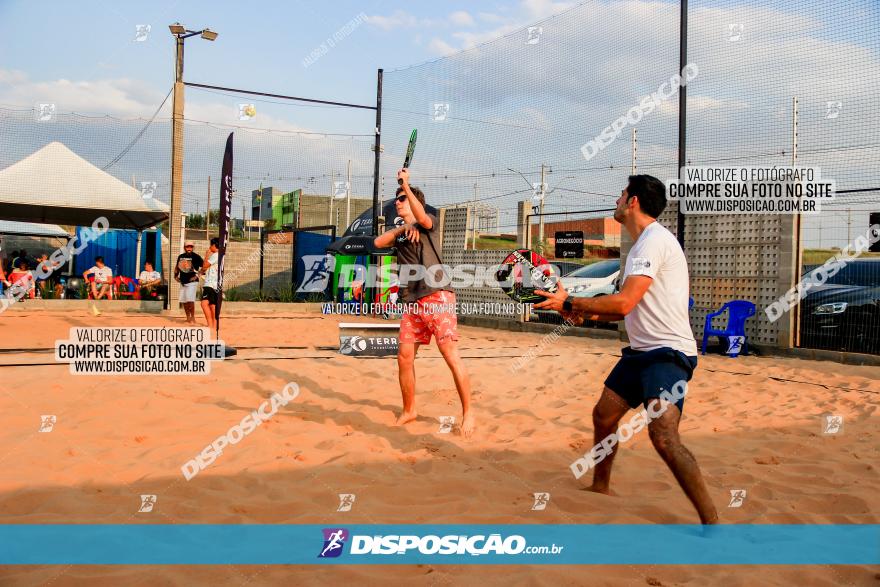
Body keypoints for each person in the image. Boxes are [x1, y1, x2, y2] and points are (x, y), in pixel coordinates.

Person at [535, 174, 717, 525]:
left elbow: (623, 304)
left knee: (663, 436)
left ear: (633, 202)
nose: (617, 199)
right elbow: (624, 307)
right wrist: (577, 310)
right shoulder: (642, 245)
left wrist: (572, 300)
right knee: (604, 416)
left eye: (621, 194)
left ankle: (711, 521)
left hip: (667, 355)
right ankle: (601, 486)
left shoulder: (653, 241)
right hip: (640, 353)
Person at [373, 168, 475, 437]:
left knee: (449, 355)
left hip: (438, 295)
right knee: (404, 357)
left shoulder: (429, 222)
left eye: (402, 198)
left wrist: (406, 186)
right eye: (397, 198)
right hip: (412, 302)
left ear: (413, 200)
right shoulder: (403, 232)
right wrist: (404, 229)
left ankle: (469, 414)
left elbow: (422, 219)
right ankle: (409, 410)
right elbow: (378, 241)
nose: (397, 201)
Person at [174, 241, 203, 324]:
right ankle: (188, 318)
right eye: (187, 247)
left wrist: (197, 276)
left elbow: (204, 266)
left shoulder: (196, 257)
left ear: (193, 247)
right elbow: (177, 267)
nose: (189, 248)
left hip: (192, 282)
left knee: (190, 300)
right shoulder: (181, 256)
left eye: (191, 247)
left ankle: (193, 318)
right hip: (183, 281)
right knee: (184, 301)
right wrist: (175, 276)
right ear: (184, 247)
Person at [199, 238, 220, 333]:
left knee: (204, 304)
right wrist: (201, 272)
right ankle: (213, 325)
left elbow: (204, 266)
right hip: (215, 283)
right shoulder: (220, 255)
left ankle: (210, 324)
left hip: (210, 284)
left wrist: (206, 255)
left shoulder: (215, 255)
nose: (209, 246)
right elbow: (206, 269)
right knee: (212, 305)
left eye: (211, 245)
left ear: (214, 245)